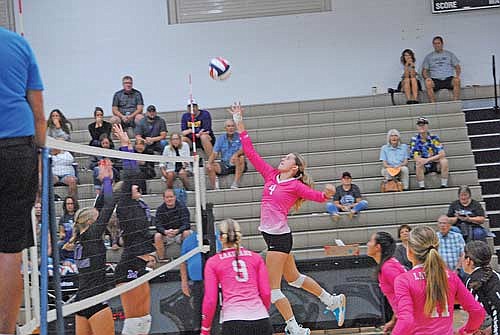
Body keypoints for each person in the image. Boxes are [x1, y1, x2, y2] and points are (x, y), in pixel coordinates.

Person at [229, 103, 345, 335]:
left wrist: (328, 194)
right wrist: (238, 118)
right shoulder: (271, 175)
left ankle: (294, 327)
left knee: (273, 290)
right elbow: (250, 153)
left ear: (295, 168)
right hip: (274, 236)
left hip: (278, 240)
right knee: (294, 279)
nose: (283, 158)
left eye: (288, 158)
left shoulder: (294, 185)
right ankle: (332, 301)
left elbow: (317, 196)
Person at [0, 26, 46, 333]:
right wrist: (40, 159)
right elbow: (39, 114)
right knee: (10, 251)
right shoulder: (18, 44)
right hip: (17, 149)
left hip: (16, 146)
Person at [392, 226, 484, 335]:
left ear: (410, 251)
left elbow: (406, 320)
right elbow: (478, 311)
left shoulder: (404, 280)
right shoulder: (451, 277)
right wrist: (465, 331)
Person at [113, 123, 156, 335]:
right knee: (133, 317)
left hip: (140, 259)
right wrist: (126, 146)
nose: (137, 186)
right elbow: (130, 173)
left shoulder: (139, 205)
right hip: (129, 262)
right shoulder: (125, 203)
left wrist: (151, 255)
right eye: (133, 186)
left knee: (145, 317)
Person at [201, 219, 273, 335]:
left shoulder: (213, 262)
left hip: (233, 320)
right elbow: (266, 292)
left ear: (220, 238)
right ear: (240, 236)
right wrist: (261, 312)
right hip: (261, 319)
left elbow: (210, 299)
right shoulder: (255, 258)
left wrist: (205, 329)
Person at [68, 163, 115, 335]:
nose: (101, 219)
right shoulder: (93, 235)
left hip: (81, 302)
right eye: (97, 218)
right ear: (90, 222)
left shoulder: (80, 237)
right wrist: (108, 180)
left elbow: (100, 205)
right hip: (96, 300)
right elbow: (109, 205)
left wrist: (104, 182)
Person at [180, 229, 222, 332]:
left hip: (216, 283)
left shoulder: (217, 237)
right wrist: (184, 282)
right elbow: (182, 262)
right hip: (198, 283)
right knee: (198, 313)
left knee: (216, 313)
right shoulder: (189, 239)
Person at [366, 232, 406, 334]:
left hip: (408, 319)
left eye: (370, 241)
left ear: (377, 247)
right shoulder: (388, 265)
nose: (367, 244)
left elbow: (406, 294)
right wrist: (394, 321)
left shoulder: (388, 268)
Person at [463, 240, 500, 335]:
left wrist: (466, 330)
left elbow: (477, 313)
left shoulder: (472, 281)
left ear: (468, 261)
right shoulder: (496, 274)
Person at [409, 117, 449, 189]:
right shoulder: (414, 139)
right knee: (418, 163)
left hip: (434, 163)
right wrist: (425, 160)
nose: (422, 127)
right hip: (423, 165)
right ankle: (422, 186)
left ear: (427, 126)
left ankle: (444, 184)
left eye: (423, 125)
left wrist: (427, 160)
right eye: (420, 125)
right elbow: (416, 157)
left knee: (444, 161)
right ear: (417, 127)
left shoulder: (434, 138)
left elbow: (442, 154)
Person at [207, 119, 246, 190]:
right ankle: (215, 188)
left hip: (237, 163)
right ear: (225, 128)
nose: (231, 128)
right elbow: (215, 153)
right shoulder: (221, 138)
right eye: (228, 126)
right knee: (210, 167)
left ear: (235, 127)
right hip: (225, 163)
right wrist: (209, 163)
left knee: (241, 158)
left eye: (232, 126)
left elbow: (243, 149)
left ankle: (235, 183)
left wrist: (235, 154)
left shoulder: (240, 136)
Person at [153, 189, 191, 260]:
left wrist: (178, 231)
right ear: (164, 198)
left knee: (187, 233)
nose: (169, 199)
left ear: (175, 197)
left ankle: (186, 258)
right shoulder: (160, 210)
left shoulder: (183, 208)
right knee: (157, 236)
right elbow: (158, 225)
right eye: (167, 197)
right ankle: (162, 260)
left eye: (171, 197)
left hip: (180, 233)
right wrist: (165, 231)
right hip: (166, 234)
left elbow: (186, 224)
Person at [422, 36, 461, 103]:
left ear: (442, 44)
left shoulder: (449, 54)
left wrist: (457, 76)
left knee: (457, 80)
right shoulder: (429, 56)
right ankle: (433, 104)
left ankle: (455, 102)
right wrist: (426, 78)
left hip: (448, 79)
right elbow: (424, 71)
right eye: (435, 43)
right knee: (427, 83)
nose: (436, 45)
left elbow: (457, 67)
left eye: (438, 43)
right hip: (435, 80)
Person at [58, 196, 79, 263]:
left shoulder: (78, 216)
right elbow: (61, 232)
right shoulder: (63, 218)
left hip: (77, 238)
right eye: (68, 204)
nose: (69, 206)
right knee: (59, 244)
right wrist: (62, 235)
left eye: (71, 204)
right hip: (67, 238)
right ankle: (61, 261)